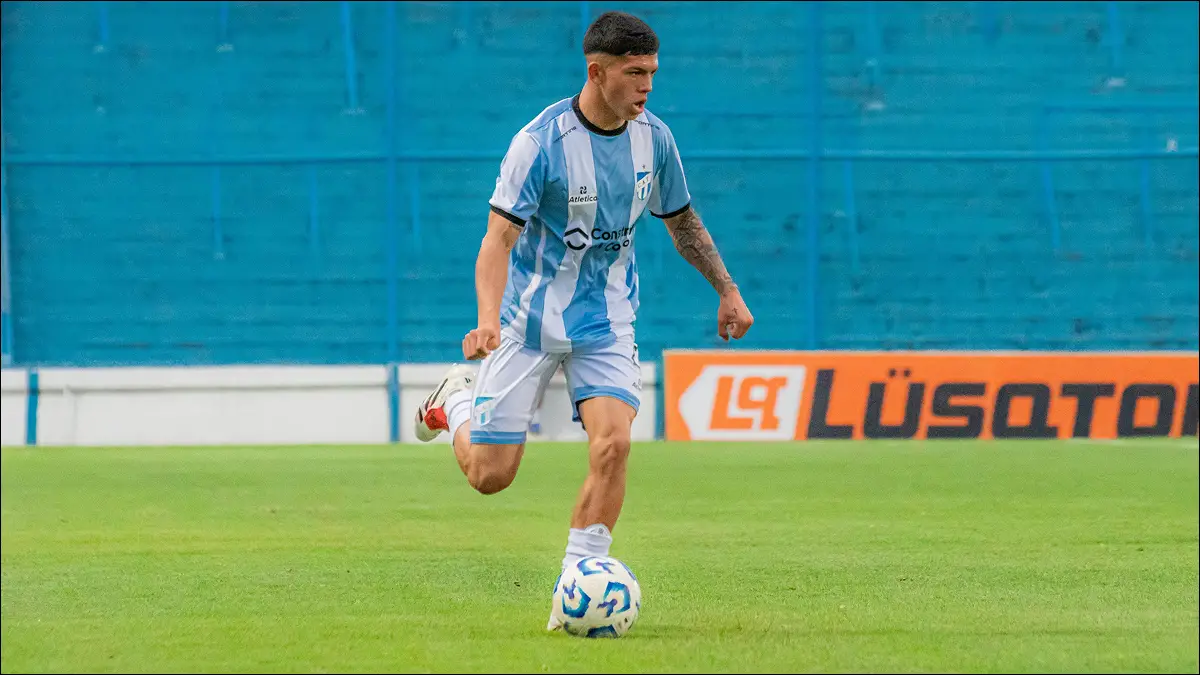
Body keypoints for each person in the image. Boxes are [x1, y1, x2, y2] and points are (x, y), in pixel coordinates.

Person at [412, 10, 754, 630]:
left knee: (614, 445)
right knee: (490, 477)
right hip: (527, 326)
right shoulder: (538, 144)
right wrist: (487, 321)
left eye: (652, 72)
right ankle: (455, 403)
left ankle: (577, 581)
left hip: (608, 322)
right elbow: (497, 241)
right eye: (634, 73)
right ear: (597, 72)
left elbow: (681, 222)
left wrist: (727, 291)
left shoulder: (657, 138)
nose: (648, 86)